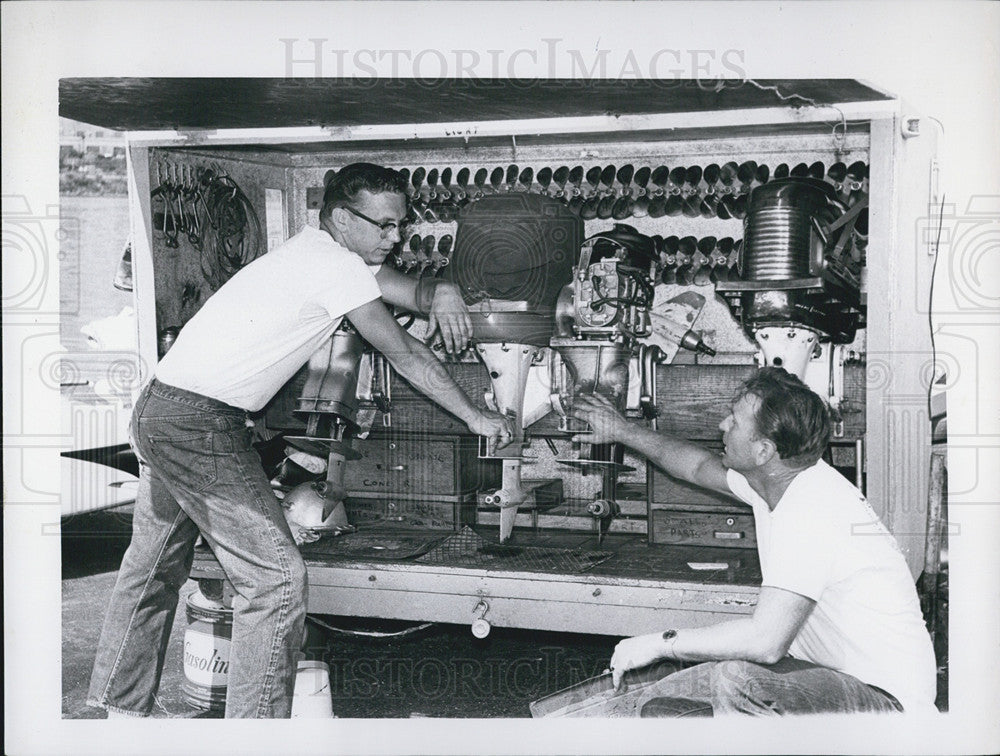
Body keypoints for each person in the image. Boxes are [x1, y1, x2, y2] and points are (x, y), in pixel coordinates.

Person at [87, 163, 513, 719]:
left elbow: (412, 290)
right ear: (341, 217)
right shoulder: (334, 268)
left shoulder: (322, 255)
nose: (396, 237)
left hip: (163, 409)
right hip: (199, 424)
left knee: (154, 567)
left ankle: (119, 714)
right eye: (384, 225)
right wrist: (476, 417)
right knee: (277, 582)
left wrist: (447, 290)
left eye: (400, 226)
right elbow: (403, 353)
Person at [565, 367, 937, 717]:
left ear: (763, 451)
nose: (722, 425)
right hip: (825, 676)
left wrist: (659, 642)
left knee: (737, 681)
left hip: (886, 704)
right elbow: (694, 466)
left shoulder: (812, 510)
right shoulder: (779, 479)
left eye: (735, 421)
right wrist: (621, 430)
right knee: (661, 702)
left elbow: (765, 642)